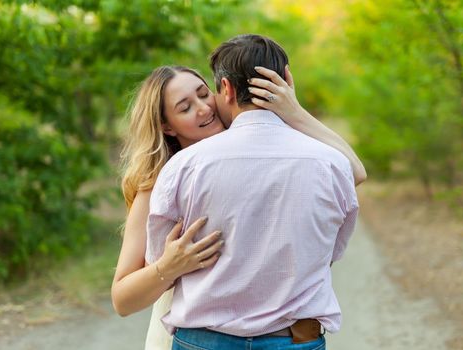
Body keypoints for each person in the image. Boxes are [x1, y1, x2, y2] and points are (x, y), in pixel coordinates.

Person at [143, 34, 363, 350]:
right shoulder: (330, 163)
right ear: (288, 80)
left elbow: (159, 260)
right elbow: (330, 251)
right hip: (294, 340)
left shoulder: (181, 167)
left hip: (202, 342)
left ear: (227, 89)